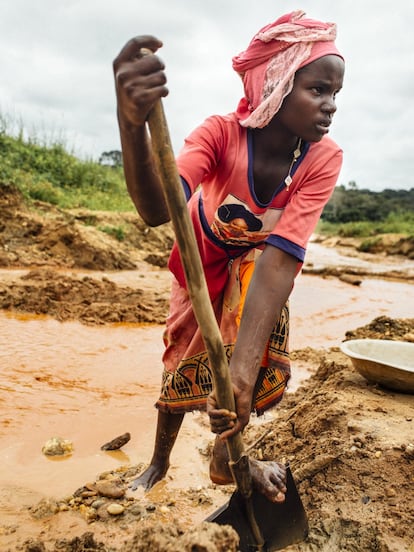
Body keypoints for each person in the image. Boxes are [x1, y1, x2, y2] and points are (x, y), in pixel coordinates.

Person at [113, 10, 345, 503]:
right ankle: (159, 461)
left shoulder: (323, 158)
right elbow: (158, 208)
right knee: (183, 350)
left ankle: (227, 455)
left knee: (253, 339)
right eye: (318, 90)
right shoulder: (222, 133)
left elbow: (283, 258)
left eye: (334, 95)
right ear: (277, 84)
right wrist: (131, 126)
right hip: (201, 252)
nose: (330, 107)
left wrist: (239, 377)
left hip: (259, 263)